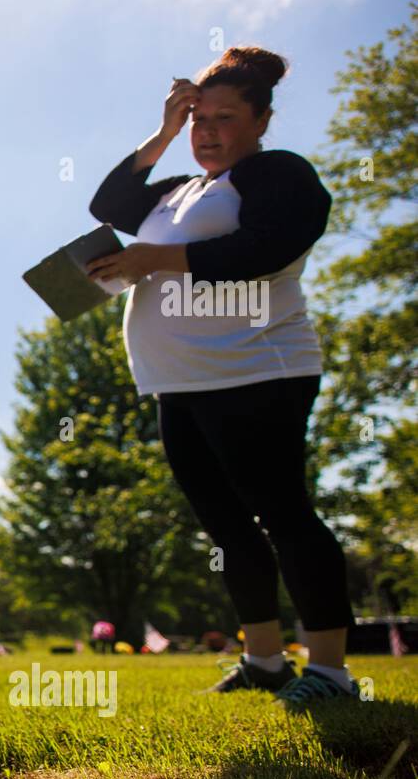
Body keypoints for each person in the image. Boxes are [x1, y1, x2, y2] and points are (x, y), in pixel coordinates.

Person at [85, 47, 356, 705]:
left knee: (286, 514)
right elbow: (108, 202)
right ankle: (264, 659)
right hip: (178, 385)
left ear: (262, 120)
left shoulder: (275, 173)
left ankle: (331, 672)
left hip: (256, 370)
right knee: (228, 529)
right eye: (198, 117)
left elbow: (266, 247)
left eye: (224, 117)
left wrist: (153, 258)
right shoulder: (180, 189)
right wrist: (164, 130)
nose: (208, 131)